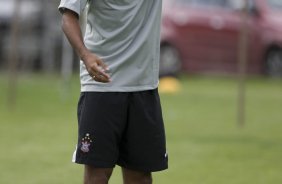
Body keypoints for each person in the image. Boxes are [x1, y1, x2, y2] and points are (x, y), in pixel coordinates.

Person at [58, 0, 168, 183]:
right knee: (98, 174)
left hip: (143, 86)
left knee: (140, 176)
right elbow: (68, 17)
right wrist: (86, 56)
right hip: (101, 85)